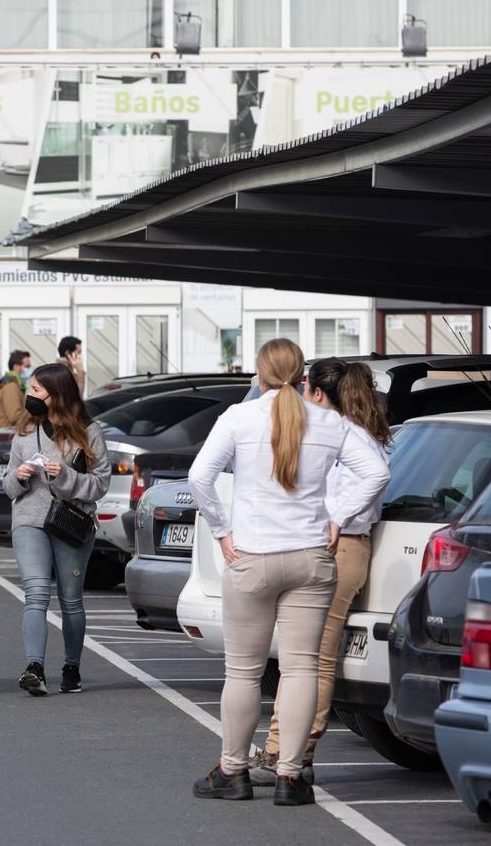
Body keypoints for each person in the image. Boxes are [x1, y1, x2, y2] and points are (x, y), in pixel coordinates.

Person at [188, 339, 389, 807]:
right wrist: (337, 516)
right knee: (301, 668)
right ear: (304, 378)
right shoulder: (329, 421)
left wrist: (221, 530)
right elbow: (376, 473)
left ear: (258, 376)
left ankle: (232, 771)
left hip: (252, 556)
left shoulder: (238, 419)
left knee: (242, 671)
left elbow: (200, 477)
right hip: (311, 557)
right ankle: (290, 777)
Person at [249, 359, 392, 785]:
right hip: (331, 545)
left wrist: (338, 518)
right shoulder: (342, 430)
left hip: (342, 547)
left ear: (316, 393)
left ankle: (290, 753)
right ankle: (284, 750)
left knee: (312, 659)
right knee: (304, 657)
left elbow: (375, 478)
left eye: (305, 386)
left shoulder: (350, 433)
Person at [2, 362, 111, 696]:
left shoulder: (89, 432)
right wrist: (18, 477)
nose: (29, 396)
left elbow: (101, 483)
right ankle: (34, 667)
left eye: (36, 390)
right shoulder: (23, 431)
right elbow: (7, 485)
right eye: (29, 389)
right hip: (30, 521)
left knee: (71, 600)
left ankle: (71, 667)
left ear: (57, 394)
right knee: (35, 593)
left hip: (71, 523)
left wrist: (64, 475)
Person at [0, 349, 31, 429]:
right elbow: (15, 416)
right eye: (27, 366)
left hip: (6, 436)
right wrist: (34, 417)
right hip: (5, 437)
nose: (30, 369)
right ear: (16, 367)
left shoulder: (15, 384)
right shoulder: (11, 387)